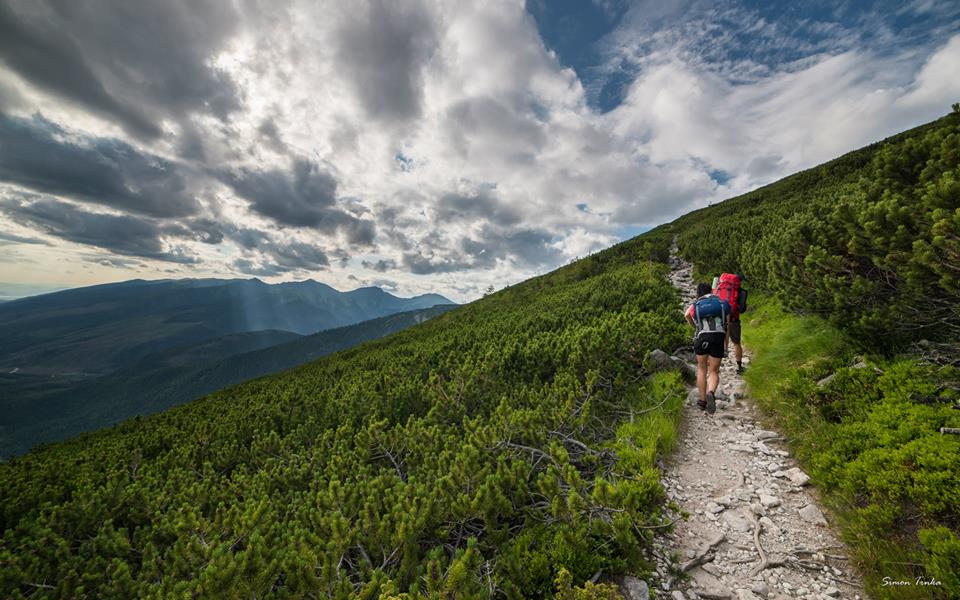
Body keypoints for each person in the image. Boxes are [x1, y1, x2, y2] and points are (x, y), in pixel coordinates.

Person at [685, 282, 731, 414]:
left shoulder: (697, 304)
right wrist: (726, 346)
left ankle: (702, 401)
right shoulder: (722, 304)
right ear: (712, 290)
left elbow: (687, 315)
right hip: (718, 337)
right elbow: (726, 326)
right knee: (714, 371)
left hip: (702, 337)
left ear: (698, 292)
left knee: (701, 368)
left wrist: (695, 328)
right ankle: (711, 392)